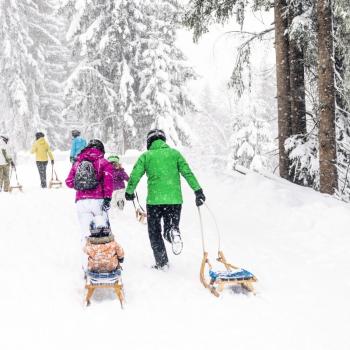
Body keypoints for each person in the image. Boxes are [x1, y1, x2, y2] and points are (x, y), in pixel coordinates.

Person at [125, 129, 206, 270]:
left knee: (154, 232)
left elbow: (135, 175)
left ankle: (162, 263)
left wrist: (129, 191)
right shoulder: (175, 154)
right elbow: (187, 172)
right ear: (163, 140)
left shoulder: (146, 156)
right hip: (174, 201)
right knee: (170, 228)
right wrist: (198, 191)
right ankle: (172, 231)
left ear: (149, 142)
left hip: (154, 202)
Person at [65, 139, 114, 270]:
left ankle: (87, 266)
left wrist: (81, 185)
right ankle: (105, 262)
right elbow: (109, 182)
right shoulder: (103, 162)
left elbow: (69, 182)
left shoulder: (78, 162)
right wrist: (108, 198)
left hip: (81, 202)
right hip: (98, 201)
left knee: (85, 234)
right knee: (102, 232)